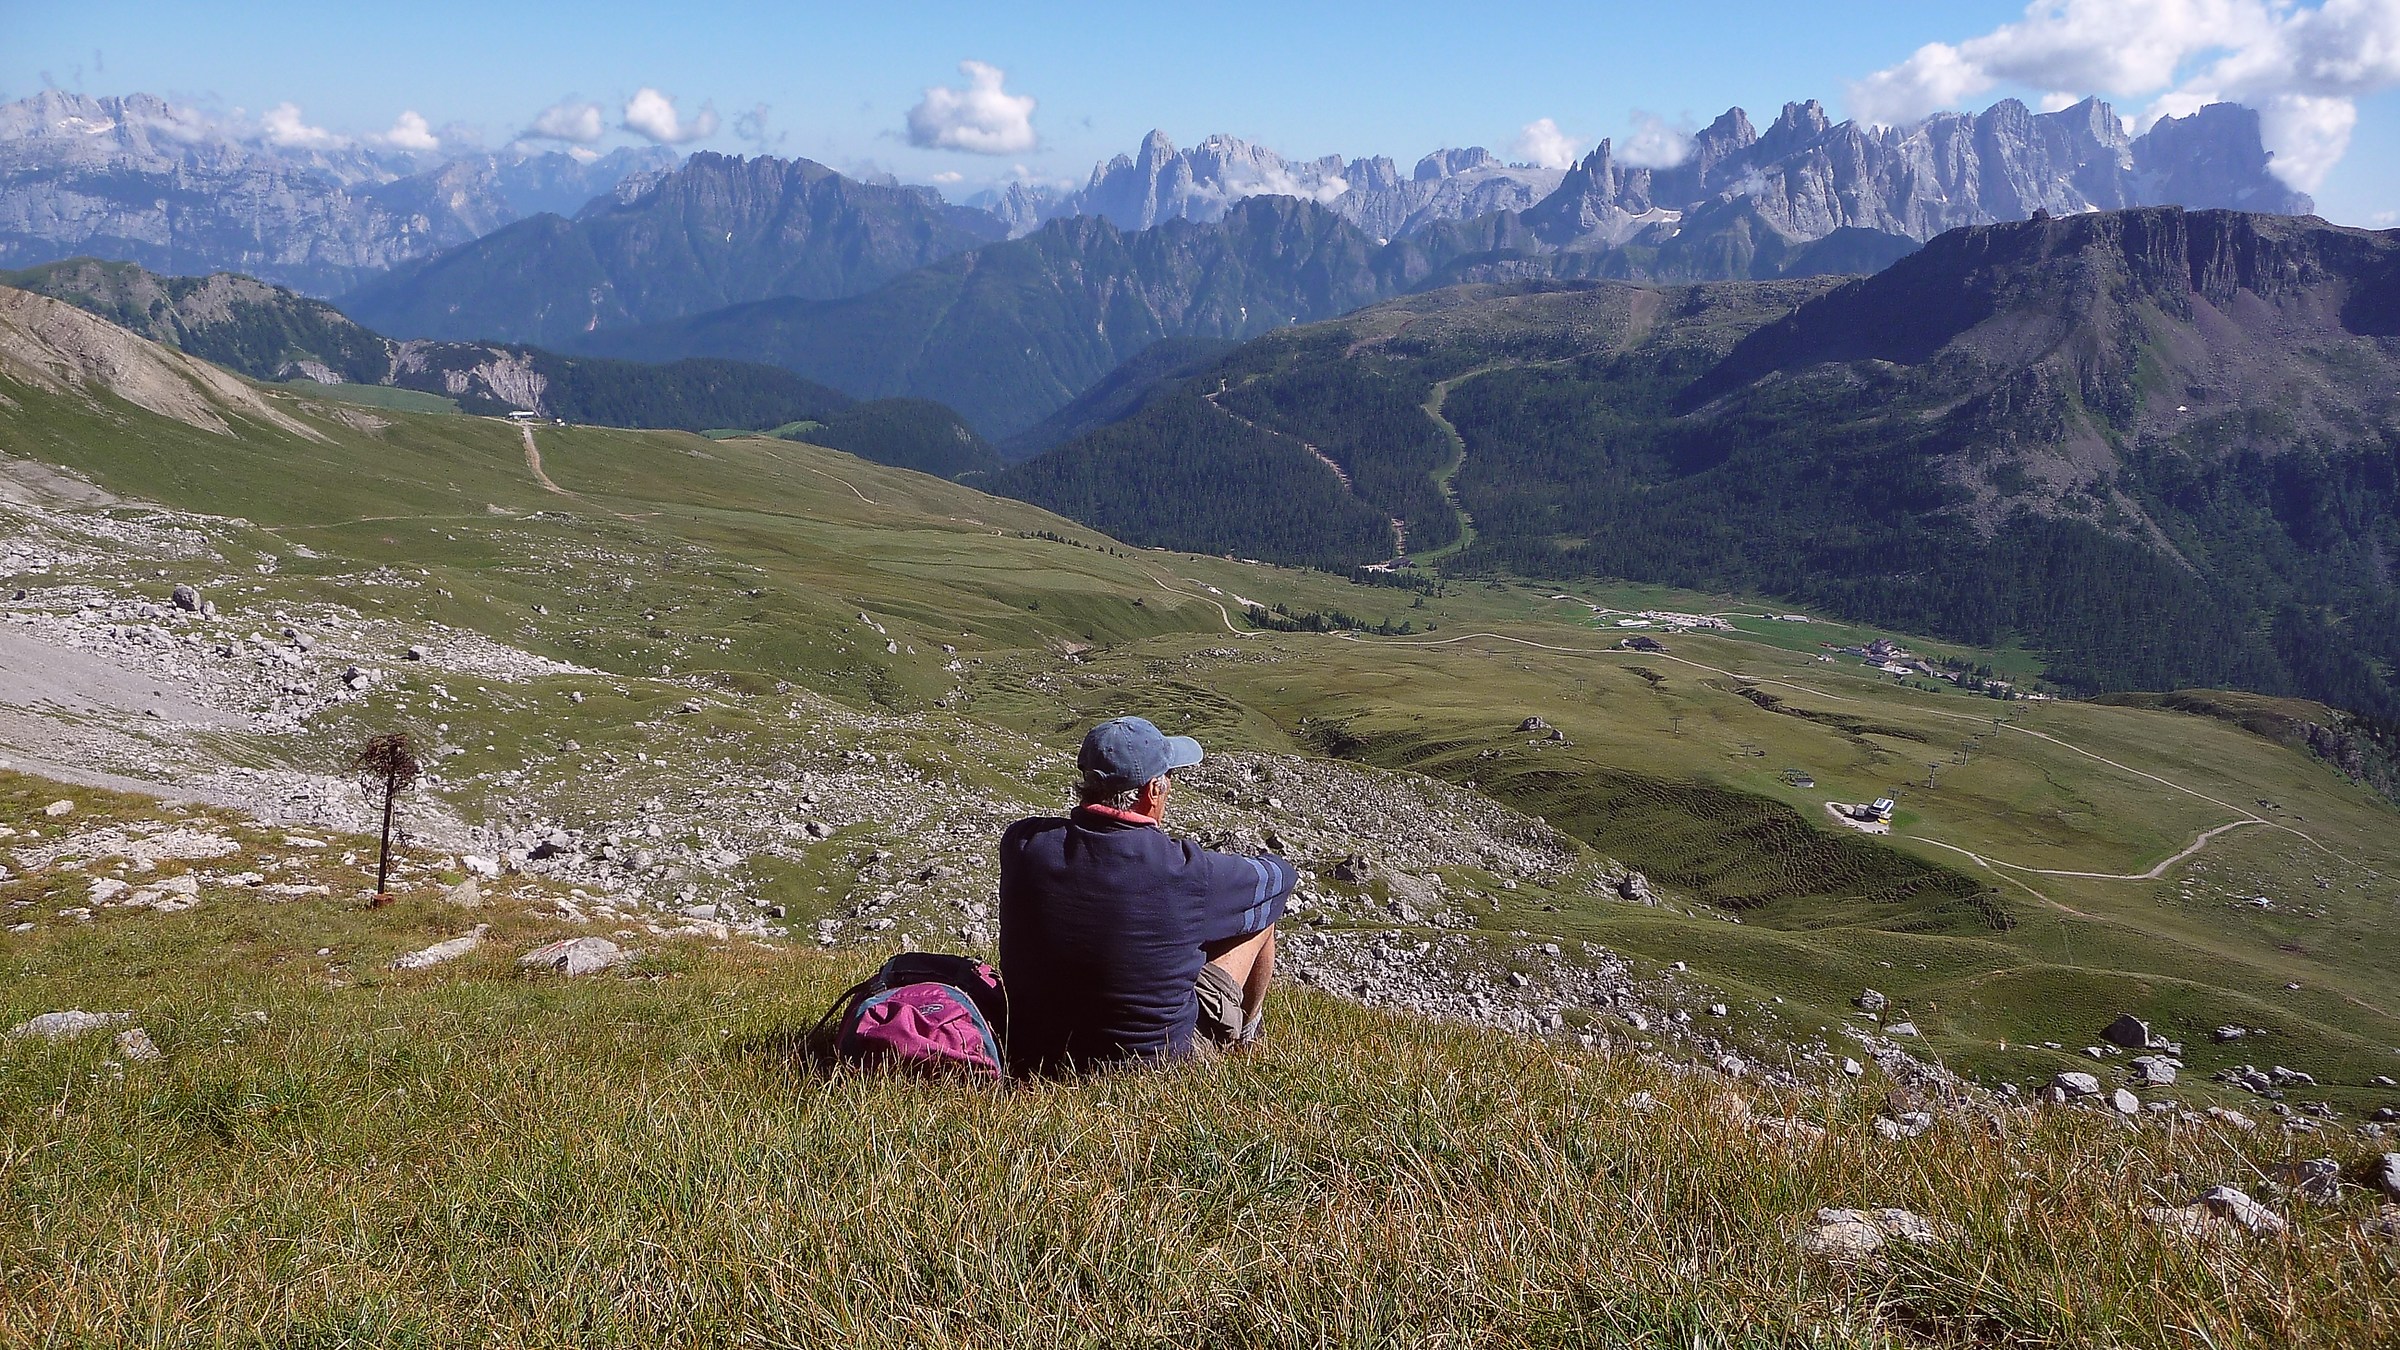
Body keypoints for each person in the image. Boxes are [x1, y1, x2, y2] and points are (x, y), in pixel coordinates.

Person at [998, 715, 1295, 1073]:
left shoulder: (1024, 843)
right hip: (1157, 1066)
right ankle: (1246, 1042)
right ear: (1153, 790)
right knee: (1260, 921)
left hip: (1038, 1057)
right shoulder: (1185, 870)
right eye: (1169, 778)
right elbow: (1280, 879)